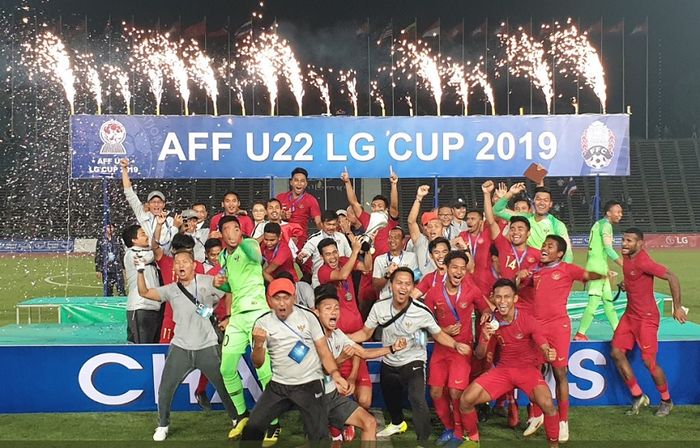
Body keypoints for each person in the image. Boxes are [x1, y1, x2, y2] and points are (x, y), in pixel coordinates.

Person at [349, 267, 472, 443]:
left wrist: (455, 344)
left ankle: (423, 441)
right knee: (390, 396)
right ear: (391, 285)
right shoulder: (379, 308)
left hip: (414, 360)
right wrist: (346, 338)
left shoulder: (421, 310)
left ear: (412, 287)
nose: (403, 288)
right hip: (390, 360)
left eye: (408, 284)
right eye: (399, 283)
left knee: (417, 399)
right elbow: (365, 333)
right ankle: (398, 423)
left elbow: (437, 333)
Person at [134, 250, 238, 441]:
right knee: (165, 388)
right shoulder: (171, 289)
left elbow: (230, 290)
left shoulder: (208, 280)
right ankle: (162, 425)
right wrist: (140, 271)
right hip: (180, 346)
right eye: (177, 263)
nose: (180, 265)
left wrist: (229, 316)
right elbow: (144, 292)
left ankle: (236, 419)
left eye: (184, 262)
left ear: (193, 264)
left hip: (207, 345)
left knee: (223, 387)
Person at [516, 235, 605, 442]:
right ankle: (537, 414)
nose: (544, 248)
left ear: (560, 253)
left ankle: (563, 421)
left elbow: (585, 274)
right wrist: (519, 278)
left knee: (559, 373)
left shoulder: (566, 268)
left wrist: (602, 275)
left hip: (558, 327)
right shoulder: (535, 270)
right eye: (544, 245)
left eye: (550, 246)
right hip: (537, 327)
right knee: (533, 372)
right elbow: (519, 289)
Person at [241, 278, 350, 443]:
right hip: (279, 385)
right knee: (252, 429)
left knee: (319, 436)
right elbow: (258, 363)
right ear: (269, 300)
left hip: (309, 384)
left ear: (294, 297)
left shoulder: (308, 317)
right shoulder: (262, 323)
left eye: (286, 297)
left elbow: (323, 350)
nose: (282, 303)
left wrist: (335, 374)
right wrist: (258, 343)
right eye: (277, 298)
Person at [458, 279, 561, 448]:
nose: (502, 301)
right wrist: (484, 337)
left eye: (507, 297)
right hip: (503, 371)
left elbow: (542, 344)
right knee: (466, 400)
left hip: (527, 371)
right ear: (493, 298)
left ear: (515, 299)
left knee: (548, 405)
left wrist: (548, 351)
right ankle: (473, 440)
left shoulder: (528, 320)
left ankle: (553, 444)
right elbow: (479, 354)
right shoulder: (490, 322)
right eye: (498, 297)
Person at [314, 284, 407, 443]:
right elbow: (319, 370)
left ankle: (337, 430)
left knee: (369, 422)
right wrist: (342, 359)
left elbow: (363, 353)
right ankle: (334, 432)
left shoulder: (338, 334)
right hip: (314, 398)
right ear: (316, 312)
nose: (334, 312)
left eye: (336, 308)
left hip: (332, 397)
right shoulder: (312, 338)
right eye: (328, 308)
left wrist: (392, 348)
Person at [213, 215, 277, 444]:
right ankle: (242, 416)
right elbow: (234, 284)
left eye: (236, 228)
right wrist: (221, 284)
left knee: (264, 371)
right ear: (220, 234)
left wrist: (240, 240)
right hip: (237, 318)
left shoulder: (249, 244)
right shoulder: (222, 255)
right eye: (227, 229)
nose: (232, 232)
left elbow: (256, 256)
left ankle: (274, 423)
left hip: (259, 313)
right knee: (226, 368)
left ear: (241, 231)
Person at [610, 228, 687, 417]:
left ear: (640, 244)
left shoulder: (644, 261)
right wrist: (625, 285)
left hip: (646, 318)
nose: (624, 244)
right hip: (630, 316)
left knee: (649, 362)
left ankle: (666, 400)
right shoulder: (627, 258)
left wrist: (677, 307)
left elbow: (672, 277)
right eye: (623, 240)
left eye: (629, 241)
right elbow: (634, 278)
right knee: (616, 353)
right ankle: (638, 395)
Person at [424, 251, 491, 446]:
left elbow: (485, 308)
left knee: (455, 392)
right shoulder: (434, 292)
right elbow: (427, 323)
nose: (459, 271)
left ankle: (460, 432)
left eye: (463, 268)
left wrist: (486, 315)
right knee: (436, 392)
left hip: (462, 350)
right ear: (446, 268)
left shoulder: (471, 290)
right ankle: (449, 428)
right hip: (441, 349)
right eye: (455, 267)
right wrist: (442, 329)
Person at [317, 237, 373, 414]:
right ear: (322, 256)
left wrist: (366, 250)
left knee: (365, 401)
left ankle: (352, 415)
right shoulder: (323, 272)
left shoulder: (344, 261)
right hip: (338, 338)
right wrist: (355, 251)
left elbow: (366, 268)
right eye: (328, 254)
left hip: (356, 331)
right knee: (338, 390)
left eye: (334, 252)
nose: (332, 257)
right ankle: (341, 422)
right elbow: (341, 275)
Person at [574, 200, 625, 340]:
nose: (620, 214)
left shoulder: (599, 224)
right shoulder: (606, 226)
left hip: (598, 266)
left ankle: (619, 332)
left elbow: (596, 250)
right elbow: (608, 249)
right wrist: (624, 265)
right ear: (609, 213)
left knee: (608, 301)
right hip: (597, 268)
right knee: (594, 302)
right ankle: (580, 333)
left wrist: (606, 268)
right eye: (618, 212)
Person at [493, 183, 573, 263]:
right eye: (538, 199)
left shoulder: (557, 225)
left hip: (546, 270)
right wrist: (511, 193)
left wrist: (563, 271)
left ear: (550, 204)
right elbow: (497, 210)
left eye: (546, 200)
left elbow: (568, 253)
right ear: (533, 201)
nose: (541, 203)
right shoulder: (524, 218)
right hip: (527, 269)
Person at [120, 158, 177, 253]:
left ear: (164, 204)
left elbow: (169, 243)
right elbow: (129, 193)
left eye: (159, 202)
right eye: (153, 202)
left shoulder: (170, 221)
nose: (156, 204)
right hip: (144, 257)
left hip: (162, 259)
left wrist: (175, 227)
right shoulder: (142, 214)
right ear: (148, 204)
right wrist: (124, 169)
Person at [341, 167, 399, 257]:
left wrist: (394, 185)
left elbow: (394, 206)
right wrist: (347, 182)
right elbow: (354, 203)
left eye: (380, 206)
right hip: (371, 261)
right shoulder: (367, 218)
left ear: (386, 209)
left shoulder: (390, 220)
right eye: (374, 206)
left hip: (388, 259)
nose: (376, 208)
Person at [122, 224, 161, 343]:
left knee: (151, 347)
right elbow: (152, 254)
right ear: (133, 240)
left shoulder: (144, 251)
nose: (146, 236)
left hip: (153, 307)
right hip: (140, 308)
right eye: (143, 234)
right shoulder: (132, 254)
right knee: (140, 348)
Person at [298, 210, 352, 287]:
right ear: (322, 224)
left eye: (334, 224)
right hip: (320, 283)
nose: (331, 227)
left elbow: (349, 257)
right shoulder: (314, 239)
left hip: (341, 282)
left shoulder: (342, 237)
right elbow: (304, 255)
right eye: (328, 224)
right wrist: (301, 257)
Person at [276, 167, 322, 249]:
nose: (299, 183)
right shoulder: (280, 197)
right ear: (291, 182)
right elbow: (271, 216)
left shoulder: (311, 200)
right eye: (296, 180)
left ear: (306, 184)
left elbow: (318, 222)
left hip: (300, 241)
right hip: (281, 238)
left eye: (302, 181)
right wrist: (281, 217)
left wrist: (328, 231)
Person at [453, 209, 495, 297]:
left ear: (480, 222)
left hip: (485, 280)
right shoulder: (462, 235)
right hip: (467, 279)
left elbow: (493, 218)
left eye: (473, 219)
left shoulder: (488, 234)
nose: (469, 221)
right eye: (467, 219)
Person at [407, 185, 445, 276]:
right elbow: (411, 221)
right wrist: (419, 198)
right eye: (429, 226)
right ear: (425, 229)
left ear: (443, 229)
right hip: (422, 287)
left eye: (436, 226)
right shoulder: (421, 241)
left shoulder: (449, 245)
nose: (432, 229)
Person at [372, 227, 419, 301]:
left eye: (396, 237)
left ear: (403, 241)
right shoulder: (379, 259)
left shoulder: (412, 257)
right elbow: (376, 286)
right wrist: (388, 274)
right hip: (386, 300)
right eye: (390, 237)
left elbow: (416, 280)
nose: (392, 240)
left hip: (406, 300)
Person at [95, 224, 125, 296]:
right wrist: (98, 269)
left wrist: (124, 267)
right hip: (106, 269)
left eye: (111, 227)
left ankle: (123, 304)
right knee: (108, 291)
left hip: (117, 268)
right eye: (108, 227)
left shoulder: (117, 239)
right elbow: (98, 255)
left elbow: (122, 254)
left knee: (121, 289)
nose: (110, 229)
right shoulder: (101, 240)